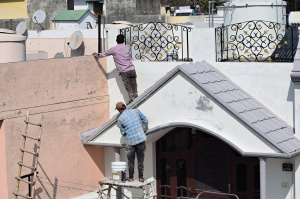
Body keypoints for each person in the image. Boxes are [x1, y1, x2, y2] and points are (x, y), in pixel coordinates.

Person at [93, 34, 138, 104]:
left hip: (124, 72)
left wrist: (96, 55)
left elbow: (103, 54)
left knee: (129, 91)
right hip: (132, 70)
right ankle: (136, 101)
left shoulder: (113, 49)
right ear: (124, 40)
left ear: (116, 40)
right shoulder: (127, 47)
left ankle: (132, 103)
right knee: (135, 90)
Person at [115, 102, 148, 182]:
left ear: (119, 110)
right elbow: (145, 120)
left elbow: (123, 132)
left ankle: (131, 177)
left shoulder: (120, 119)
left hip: (130, 142)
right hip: (140, 139)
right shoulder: (136, 111)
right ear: (125, 107)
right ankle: (141, 177)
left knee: (131, 160)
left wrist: (127, 133)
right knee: (140, 159)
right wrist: (144, 129)